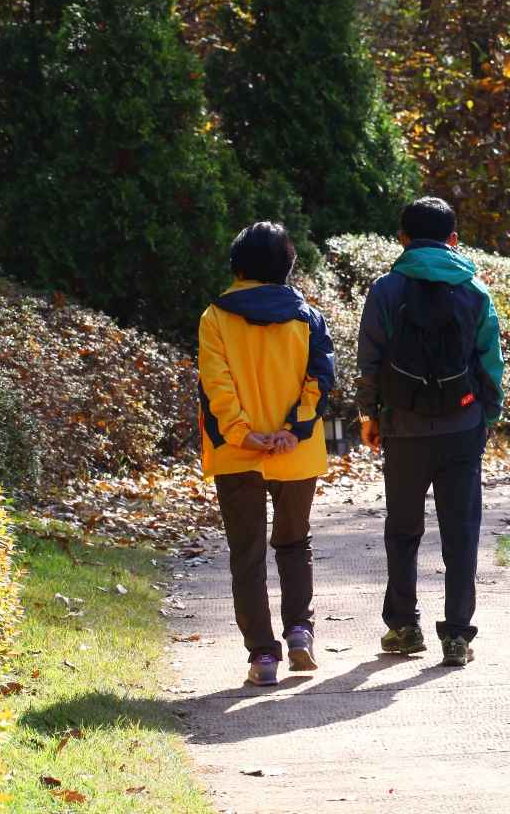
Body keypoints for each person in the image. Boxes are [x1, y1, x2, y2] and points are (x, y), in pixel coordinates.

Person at [357, 197, 504, 668]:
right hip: (462, 427)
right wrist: (488, 416)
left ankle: (404, 627)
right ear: (453, 240)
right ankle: (457, 635)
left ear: (402, 238)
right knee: (461, 533)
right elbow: (491, 362)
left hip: (403, 427)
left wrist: (369, 416)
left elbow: (370, 360)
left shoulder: (385, 290)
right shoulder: (474, 290)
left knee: (402, 530)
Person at [198, 222, 335, 688]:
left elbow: (216, 385)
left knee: (247, 554)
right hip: (295, 454)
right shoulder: (308, 318)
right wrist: (292, 430)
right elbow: (320, 380)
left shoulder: (215, 317)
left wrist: (243, 434)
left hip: (237, 454)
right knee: (294, 543)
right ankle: (299, 633)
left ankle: (262, 656)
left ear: (237, 267)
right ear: (287, 268)